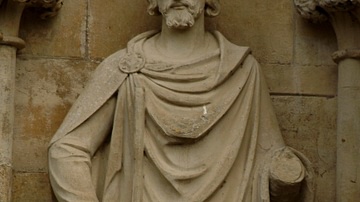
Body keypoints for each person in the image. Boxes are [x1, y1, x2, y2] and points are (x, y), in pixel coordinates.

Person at [48, 0, 314, 201]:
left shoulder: (244, 72)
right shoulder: (124, 69)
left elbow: (270, 163)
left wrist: (285, 174)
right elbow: (68, 148)